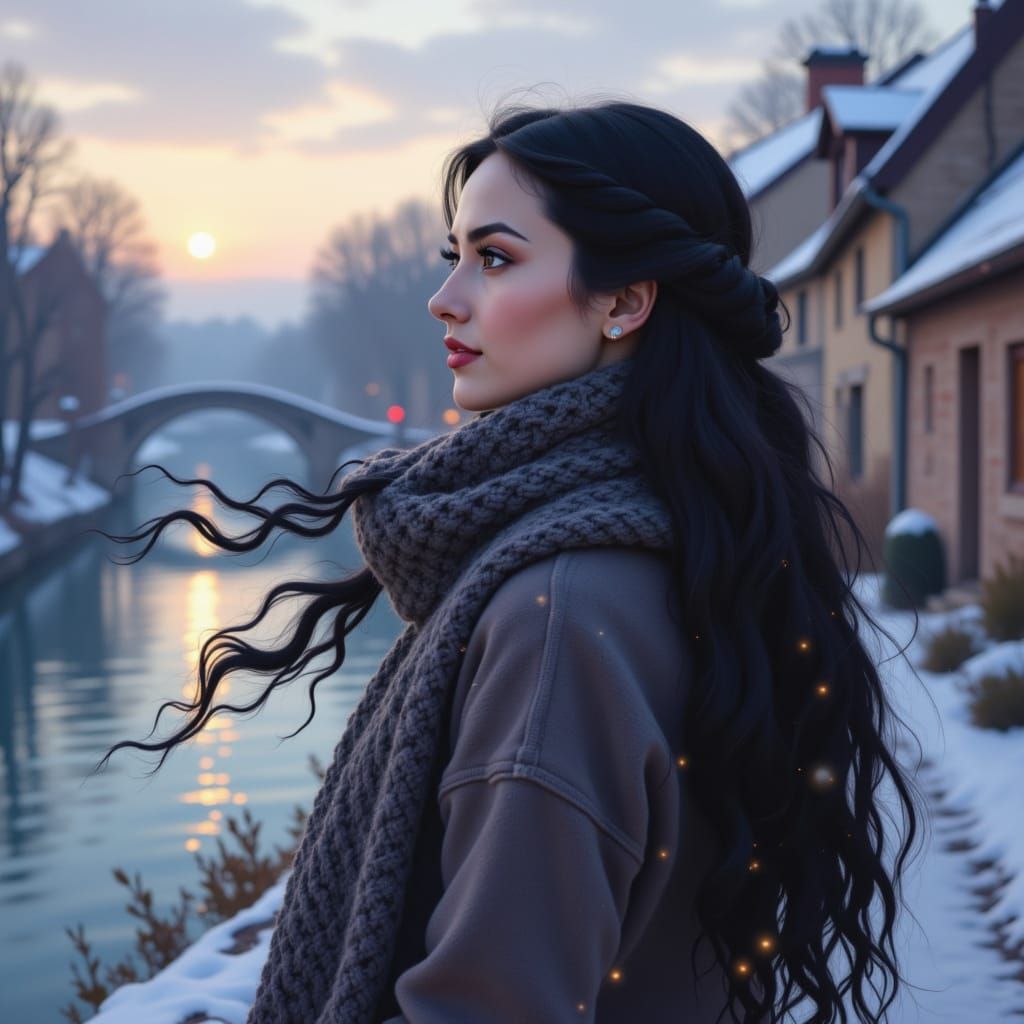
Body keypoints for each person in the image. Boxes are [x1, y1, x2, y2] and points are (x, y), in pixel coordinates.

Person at [93, 98, 929, 1023]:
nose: (446, 297)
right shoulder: (684, 542)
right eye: (452, 256)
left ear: (624, 301)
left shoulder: (561, 615)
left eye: (495, 258)